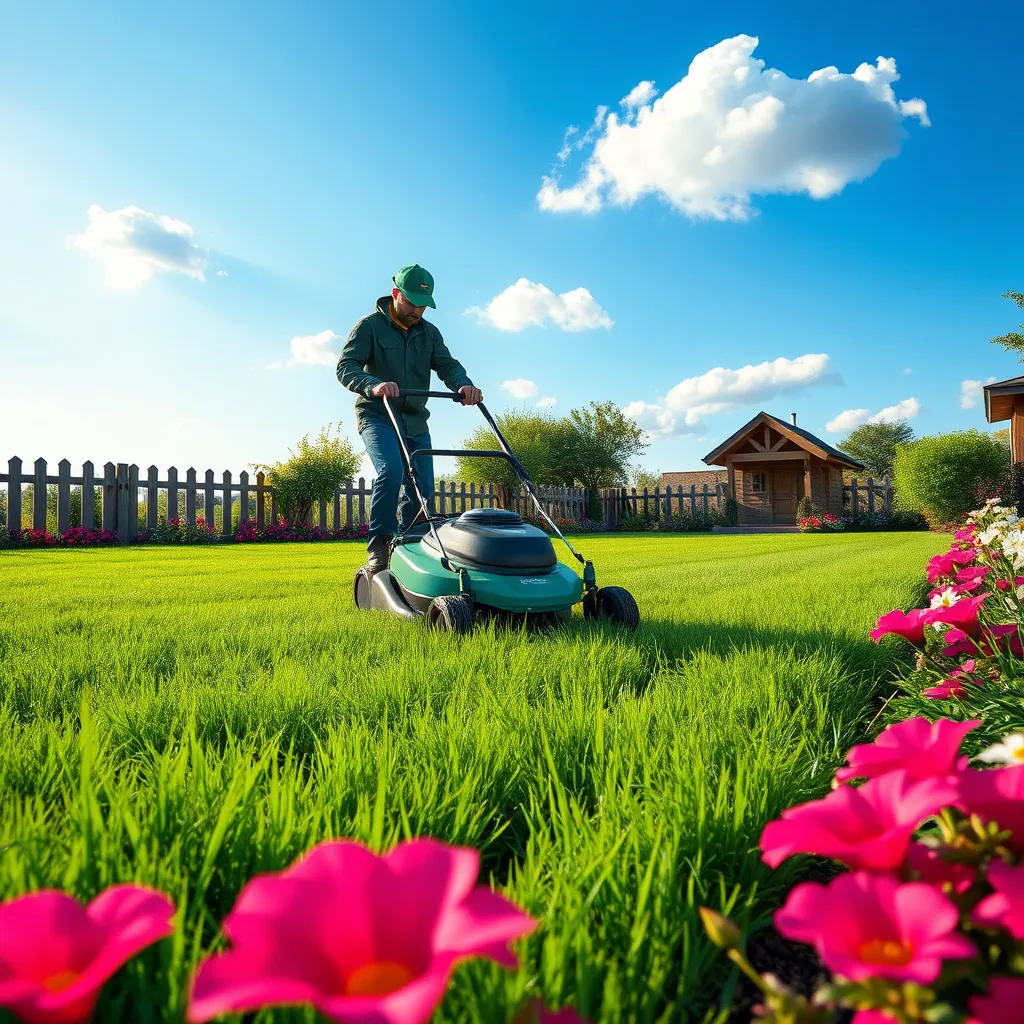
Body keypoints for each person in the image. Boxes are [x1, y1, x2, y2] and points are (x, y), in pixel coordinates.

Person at [337, 265, 483, 573]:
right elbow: (346, 366)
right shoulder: (370, 326)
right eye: (412, 302)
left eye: (423, 304)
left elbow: (447, 365)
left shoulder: (429, 334)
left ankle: (411, 545)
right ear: (395, 294)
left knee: (425, 489)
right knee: (391, 471)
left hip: (415, 421)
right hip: (378, 416)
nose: (417, 310)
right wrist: (372, 384)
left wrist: (463, 384)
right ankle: (379, 544)